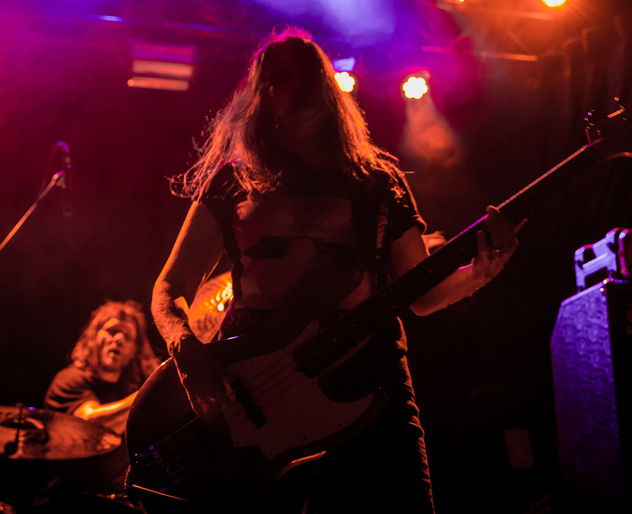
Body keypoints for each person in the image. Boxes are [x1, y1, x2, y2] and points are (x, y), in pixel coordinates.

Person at [149, 28, 519, 513]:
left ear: (326, 93)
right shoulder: (231, 179)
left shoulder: (376, 182)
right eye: (277, 81)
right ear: (258, 96)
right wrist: (183, 345)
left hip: (366, 371)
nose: (292, 93)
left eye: (305, 80)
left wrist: (481, 272)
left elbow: (421, 295)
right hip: (257, 385)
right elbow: (170, 286)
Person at [44, 300, 161, 494]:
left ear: (134, 351)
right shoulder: (70, 379)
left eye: (128, 336)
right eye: (112, 330)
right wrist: (153, 389)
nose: (119, 339)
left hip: (119, 499)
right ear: (94, 338)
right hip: (71, 500)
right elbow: (90, 424)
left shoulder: (127, 391)